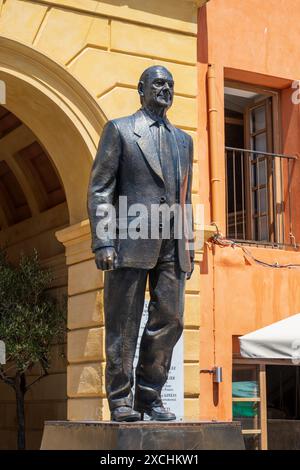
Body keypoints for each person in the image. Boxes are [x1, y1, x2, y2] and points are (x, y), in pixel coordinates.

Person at [87, 65, 194, 422]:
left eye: (170, 85)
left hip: (171, 242)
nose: (165, 89)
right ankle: (120, 399)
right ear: (141, 88)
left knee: (171, 320)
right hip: (129, 240)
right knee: (124, 323)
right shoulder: (119, 130)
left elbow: (184, 196)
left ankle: (149, 396)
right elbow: (101, 187)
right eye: (159, 83)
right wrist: (103, 241)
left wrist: (187, 247)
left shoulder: (183, 140)